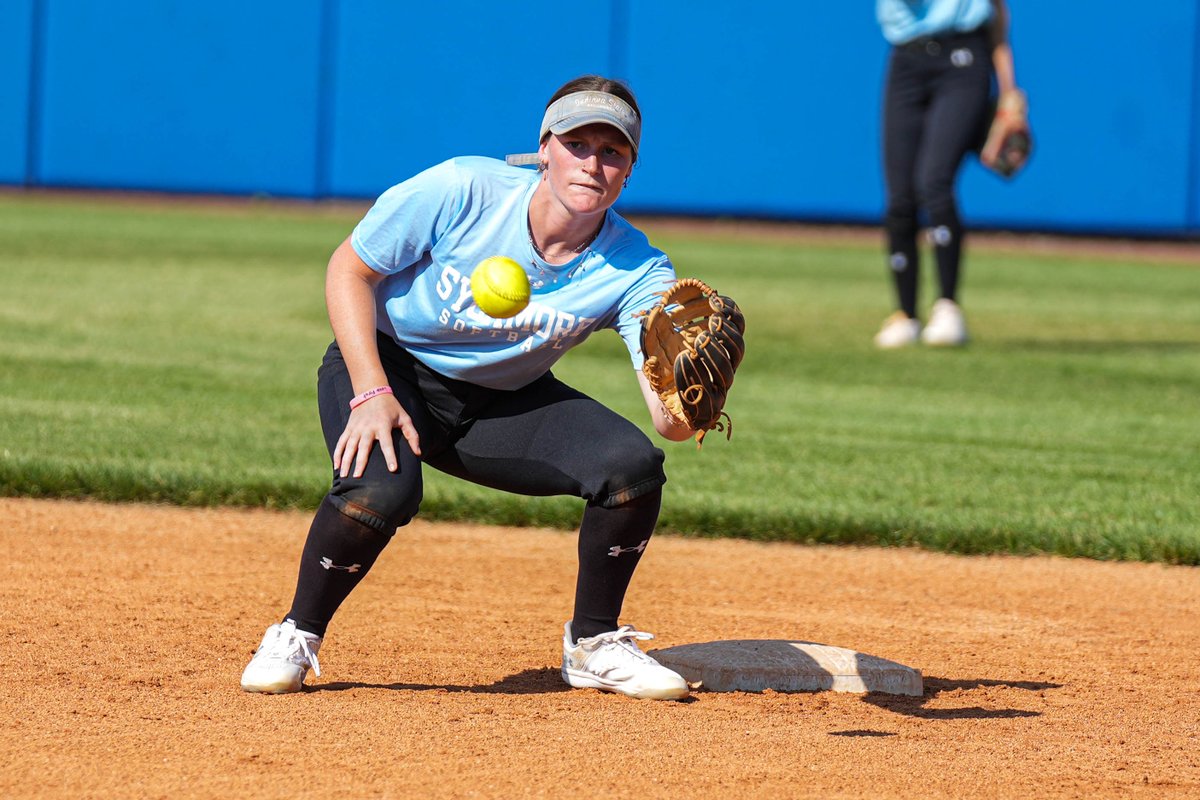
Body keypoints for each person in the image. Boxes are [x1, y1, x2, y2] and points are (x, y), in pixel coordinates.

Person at [239, 75, 696, 701]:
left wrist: (695, 395)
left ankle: (593, 645)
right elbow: (349, 269)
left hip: (504, 401)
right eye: (576, 144)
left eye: (611, 151)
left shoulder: (637, 266)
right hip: (391, 366)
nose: (592, 162)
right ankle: (297, 631)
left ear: (629, 169)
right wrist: (371, 391)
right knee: (382, 490)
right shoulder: (464, 189)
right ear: (545, 149)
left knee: (632, 466)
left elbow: (668, 421)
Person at [873, 0, 1029, 348]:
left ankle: (947, 307)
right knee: (900, 196)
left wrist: (1009, 89)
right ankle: (905, 314)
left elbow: (998, 11)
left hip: (962, 55)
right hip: (906, 58)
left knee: (934, 181)